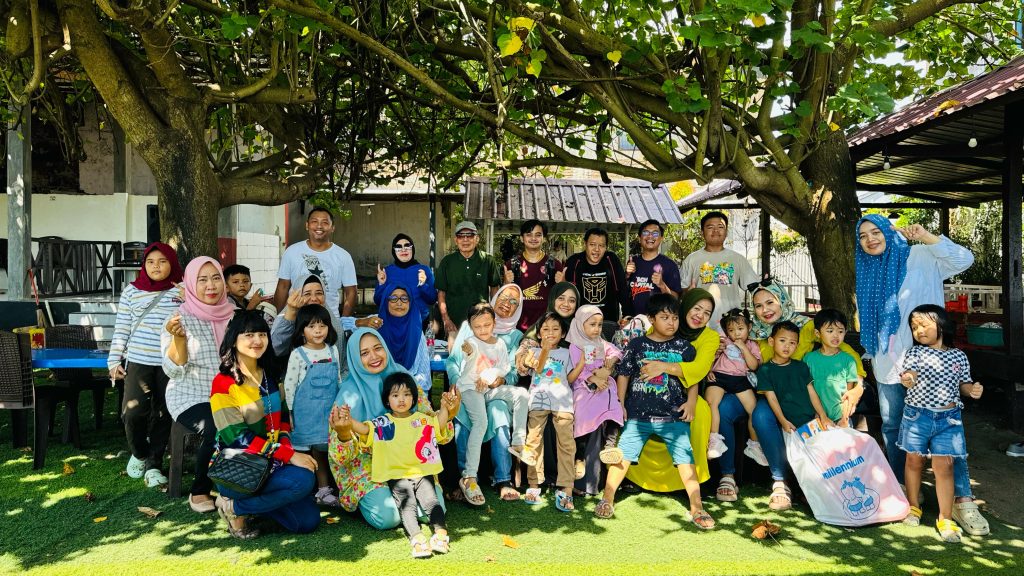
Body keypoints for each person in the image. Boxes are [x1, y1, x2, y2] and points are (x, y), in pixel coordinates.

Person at [854, 215, 987, 536]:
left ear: (889, 232)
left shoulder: (920, 255)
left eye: (876, 231)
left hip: (932, 363)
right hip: (889, 363)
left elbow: (964, 260)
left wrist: (927, 236)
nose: (870, 239)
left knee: (947, 427)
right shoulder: (867, 270)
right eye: (863, 236)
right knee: (893, 425)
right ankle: (906, 491)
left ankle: (962, 499)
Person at [596, 294, 713, 529]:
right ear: (651, 319)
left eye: (675, 318)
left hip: (673, 416)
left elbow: (692, 379)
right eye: (665, 317)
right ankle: (607, 498)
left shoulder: (684, 348)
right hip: (638, 416)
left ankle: (697, 506)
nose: (672, 323)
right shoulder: (636, 345)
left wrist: (691, 402)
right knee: (623, 455)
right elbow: (624, 375)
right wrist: (620, 404)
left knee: (686, 459)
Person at [326, 328, 452, 529]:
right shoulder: (348, 396)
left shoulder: (403, 378)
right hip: (368, 465)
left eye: (378, 348)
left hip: (410, 460)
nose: (374, 356)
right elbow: (340, 458)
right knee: (389, 517)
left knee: (431, 513)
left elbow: (430, 427)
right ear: (355, 359)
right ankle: (371, 500)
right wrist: (343, 434)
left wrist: (448, 412)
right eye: (364, 353)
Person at [211, 311, 320, 539]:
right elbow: (236, 438)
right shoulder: (223, 383)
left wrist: (285, 448)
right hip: (239, 468)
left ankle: (236, 507)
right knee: (304, 480)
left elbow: (283, 420)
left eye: (262, 334)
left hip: (272, 464)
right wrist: (289, 455)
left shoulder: (270, 375)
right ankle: (238, 506)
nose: (257, 340)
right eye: (249, 335)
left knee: (307, 521)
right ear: (233, 340)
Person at [343, 373, 461, 557]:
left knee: (432, 502)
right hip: (397, 476)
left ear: (414, 398)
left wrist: (445, 407)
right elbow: (365, 430)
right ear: (387, 400)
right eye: (395, 395)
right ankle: (417, 539)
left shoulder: (421, 419)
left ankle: (441, 535)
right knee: (408, 505)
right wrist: (349, 421)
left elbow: (438, 424)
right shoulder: (383, 423)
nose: (401, 399)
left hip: (423, 473)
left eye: (406, 394)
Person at [897, 305, 984, 543]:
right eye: (914, 327)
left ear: (942, 325)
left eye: (924, 325)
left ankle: (945, 518)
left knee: (945, 466)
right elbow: (911, 373)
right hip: (917, 417)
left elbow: (963, 384)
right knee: (914, 461)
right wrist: (908, 379)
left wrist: (972, 390)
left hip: (949, 419)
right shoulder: (915, 353)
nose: (919, 330)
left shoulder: (958, 356)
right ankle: (914, 508)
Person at [620, 289, 716, 497]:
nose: (700, 315)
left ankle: (698, 477)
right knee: (636, 410)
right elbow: (636, 362)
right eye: (697, 308)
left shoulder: (710, 337)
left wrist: (663, 367)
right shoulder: (661, 327)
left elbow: (698, 370)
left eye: (707, 313)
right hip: (650, 394)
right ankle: (636, 477)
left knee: (699, 412)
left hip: (688, 390)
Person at [163, 256, 236, 514]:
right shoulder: (179, 319)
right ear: (191, 284)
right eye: (202, 280)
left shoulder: (234, 315)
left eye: (216, 278)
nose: (211, 285)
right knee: (217, 424)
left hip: (231, 392)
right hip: (191, 394)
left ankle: (240, 483)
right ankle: (199, 490)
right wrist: (179, 340)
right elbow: (173, 369)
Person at [107, 242, 183, 487]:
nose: (155, 266)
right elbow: (122, 327)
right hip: (139, 361)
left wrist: (189, 300)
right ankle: (140, 453)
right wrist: (114, 360)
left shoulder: (182, 290)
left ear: (172, 263)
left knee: (164, 413)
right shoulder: (131, 291)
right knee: (132, 413)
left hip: (170, 362)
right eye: (150, 262)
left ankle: (154, 464)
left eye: (162, 261)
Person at [445, 284, 527, 502]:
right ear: (495, 297)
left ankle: (503, 479)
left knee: (499, 411)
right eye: (504, 297)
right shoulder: (468, 329)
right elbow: (453, 361)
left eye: (514, 302)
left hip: (494, 390)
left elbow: (511, 371)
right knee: (464, 416)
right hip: (469, 389)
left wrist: (499, 379)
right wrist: (455, 382)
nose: (507, 304)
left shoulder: (515, 336)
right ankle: (465, 478)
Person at [282, 304, 342, 507]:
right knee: (307, 452)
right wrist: (291, 413)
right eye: (311, 326)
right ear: (302, 330)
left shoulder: (333, 350)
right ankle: (303, 492)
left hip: (329, 412)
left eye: (322, 325)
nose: (318, 330)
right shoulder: (298, 354)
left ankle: (325, 490)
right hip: (304, 413)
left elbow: (338, 380)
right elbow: (290, 386)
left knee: (325, 450)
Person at [518, 312, 576, 511]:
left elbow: (571, 377)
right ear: (539, 333)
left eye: (555, 329)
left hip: (563, 402)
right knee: (533, 441)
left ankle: (566, 488)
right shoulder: (533, 352)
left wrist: (582, 363)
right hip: (538, 401)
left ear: (563, 333)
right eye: (545, 329)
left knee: (566, 444)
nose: (550, 333)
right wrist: (544, 349)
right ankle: (534, 484)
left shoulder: (568, 353)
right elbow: (538, 368)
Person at [566, 305, 624, 495]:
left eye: (599, 324)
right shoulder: (576, 346)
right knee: (583, 413)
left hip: (603, 386)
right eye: (592, 324)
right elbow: (577, 370)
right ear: (580, 325)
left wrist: (610, 363)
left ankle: (610, 446)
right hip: (583, 387)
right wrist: (593, 378)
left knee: (613, 406)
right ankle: (580, 457)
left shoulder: (600, 343)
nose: (597, 329)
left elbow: (617, 352)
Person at [273, 207, 357, 329]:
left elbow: (351, 292)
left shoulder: (343, 256)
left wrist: (343, 323)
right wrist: (281, 320)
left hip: (329, 322)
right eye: (314, 221)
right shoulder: (291, 252)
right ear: (307, 225)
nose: (319, 226)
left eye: (325, 222)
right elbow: (283, 287)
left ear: (332, 227)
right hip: (295, 320)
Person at [679, 212, 759, 331]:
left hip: (731, 326)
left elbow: (755, 288)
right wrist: (687, 293)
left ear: (726, 232)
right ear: (702, 232)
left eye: (720, 227)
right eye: (710, 227)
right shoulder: (692, 259)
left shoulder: (738, 259)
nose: (716, 231)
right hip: (699, 323)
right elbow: (681, 291)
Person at [705, 308, 763, 464]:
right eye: (731, 330)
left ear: (749, 327)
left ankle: (754, 445)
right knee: (711, 402)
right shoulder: (724, 342)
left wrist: (744, 348)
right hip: (719, 376)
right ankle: (714, 440)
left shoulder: (752, 345)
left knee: (753, 409)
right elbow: (710, 358)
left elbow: (753, 366)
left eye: (740, 329)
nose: (736, 333)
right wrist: (709, 369)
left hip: (740, 379)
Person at [435, 220, 503, 335]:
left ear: (477, 239)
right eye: (461, 236)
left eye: (470, 235)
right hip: (454, 323)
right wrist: (446, 319)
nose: (465, 239)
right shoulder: (447, 262)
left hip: (481, 322)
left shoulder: (488, 260)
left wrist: (492, 316)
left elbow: (494, 290)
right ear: (456, 240)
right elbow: (441, 294)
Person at [803, 309, 862, 427]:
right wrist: (821, 415)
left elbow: (848, 394)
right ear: (817, 333)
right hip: (816, 417)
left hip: (841, 418)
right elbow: (808, 390)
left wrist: (844, 419)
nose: (836, 335)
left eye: (840, 331)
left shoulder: (848, 361)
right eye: (830, 331)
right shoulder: (809, 359)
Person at [503, 219, 565, 330]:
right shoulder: (512, 264)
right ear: (522, 238)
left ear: (544, 238)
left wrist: (562, 283)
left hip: (547, 327)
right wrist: (506, 283)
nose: (533, 238)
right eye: (529, 234)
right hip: (517, 327)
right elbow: (504, 298)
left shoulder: (554, 264)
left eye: (538, 235)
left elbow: (564, 298)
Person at [563, 227, 627, 326]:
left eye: (601, 245)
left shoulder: (611, 260)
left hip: (607, 323)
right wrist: (562, 284)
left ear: (606, 247)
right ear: (585, 244)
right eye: (592, 244)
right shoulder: (574, 261)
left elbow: (623, 290)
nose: (597, 249)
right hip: (580, 324)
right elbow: (566, 294)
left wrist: (627, 316)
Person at [378, 284, 432, 392]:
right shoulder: (375, 326)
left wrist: (404, 391)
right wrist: (361, 322)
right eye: (393, 298)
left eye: (404, 298)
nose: (399, 303)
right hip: (381, 391)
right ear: (385, 301)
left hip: (411, 391)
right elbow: (345, 324)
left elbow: (424, 376)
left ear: (410, 303)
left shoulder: (416, 332)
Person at [624, 219, 681, 318]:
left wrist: (662, 285)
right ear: (639, 238)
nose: (650, 236)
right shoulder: (633, 262)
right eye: (646, 232)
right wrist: (627, 275)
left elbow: (675, 299)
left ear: (661, 238)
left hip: (657, 323)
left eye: (655, 233)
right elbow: (623, 291)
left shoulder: (670, 265)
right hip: (634, 321)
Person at [374, 233, 436, 325]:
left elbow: (432, 299)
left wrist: (423, 285)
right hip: (393, 324)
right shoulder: (386, 272)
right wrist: (381, 284)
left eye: (407, 246)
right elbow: (378, 301)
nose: (403, 249)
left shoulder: (424, 270)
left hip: (419, 323)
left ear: (413, 249)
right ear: (394, 251)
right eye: (399, 247)